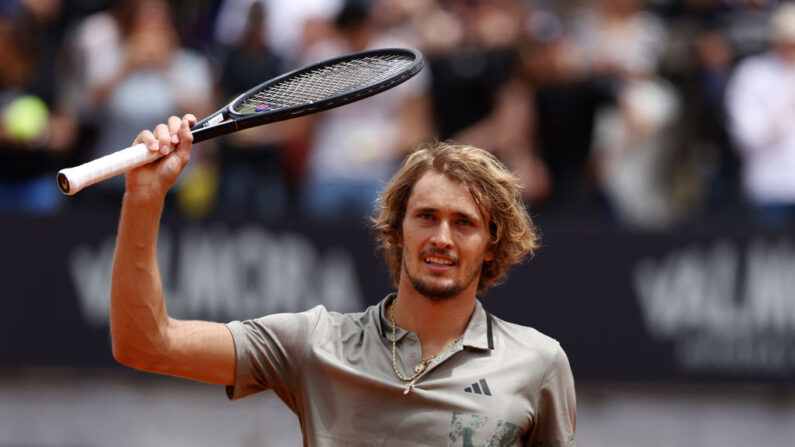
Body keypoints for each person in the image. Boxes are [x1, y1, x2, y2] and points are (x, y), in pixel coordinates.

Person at [110, 115, 576, 446]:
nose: (441, 238)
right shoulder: (314, 342)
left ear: (492, 243)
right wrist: (144, 199)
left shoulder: (538, 362)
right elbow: (145, 344)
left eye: (464, 223)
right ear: (396, 230)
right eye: (426, 217)